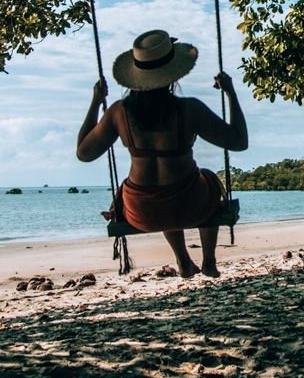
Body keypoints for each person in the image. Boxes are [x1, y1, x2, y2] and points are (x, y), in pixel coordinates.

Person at [76, 29, 248, 278]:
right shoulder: (189, 109)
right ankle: (208, 260)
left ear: (135, 77)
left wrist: (95, 101)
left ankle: (183, 261)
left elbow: (84, 153)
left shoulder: (119, 112)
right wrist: (231, 93)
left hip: (142, 211)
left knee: (159, 193)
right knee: (206, 179)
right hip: (191, 206)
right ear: (171, 75)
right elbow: (239, 141)